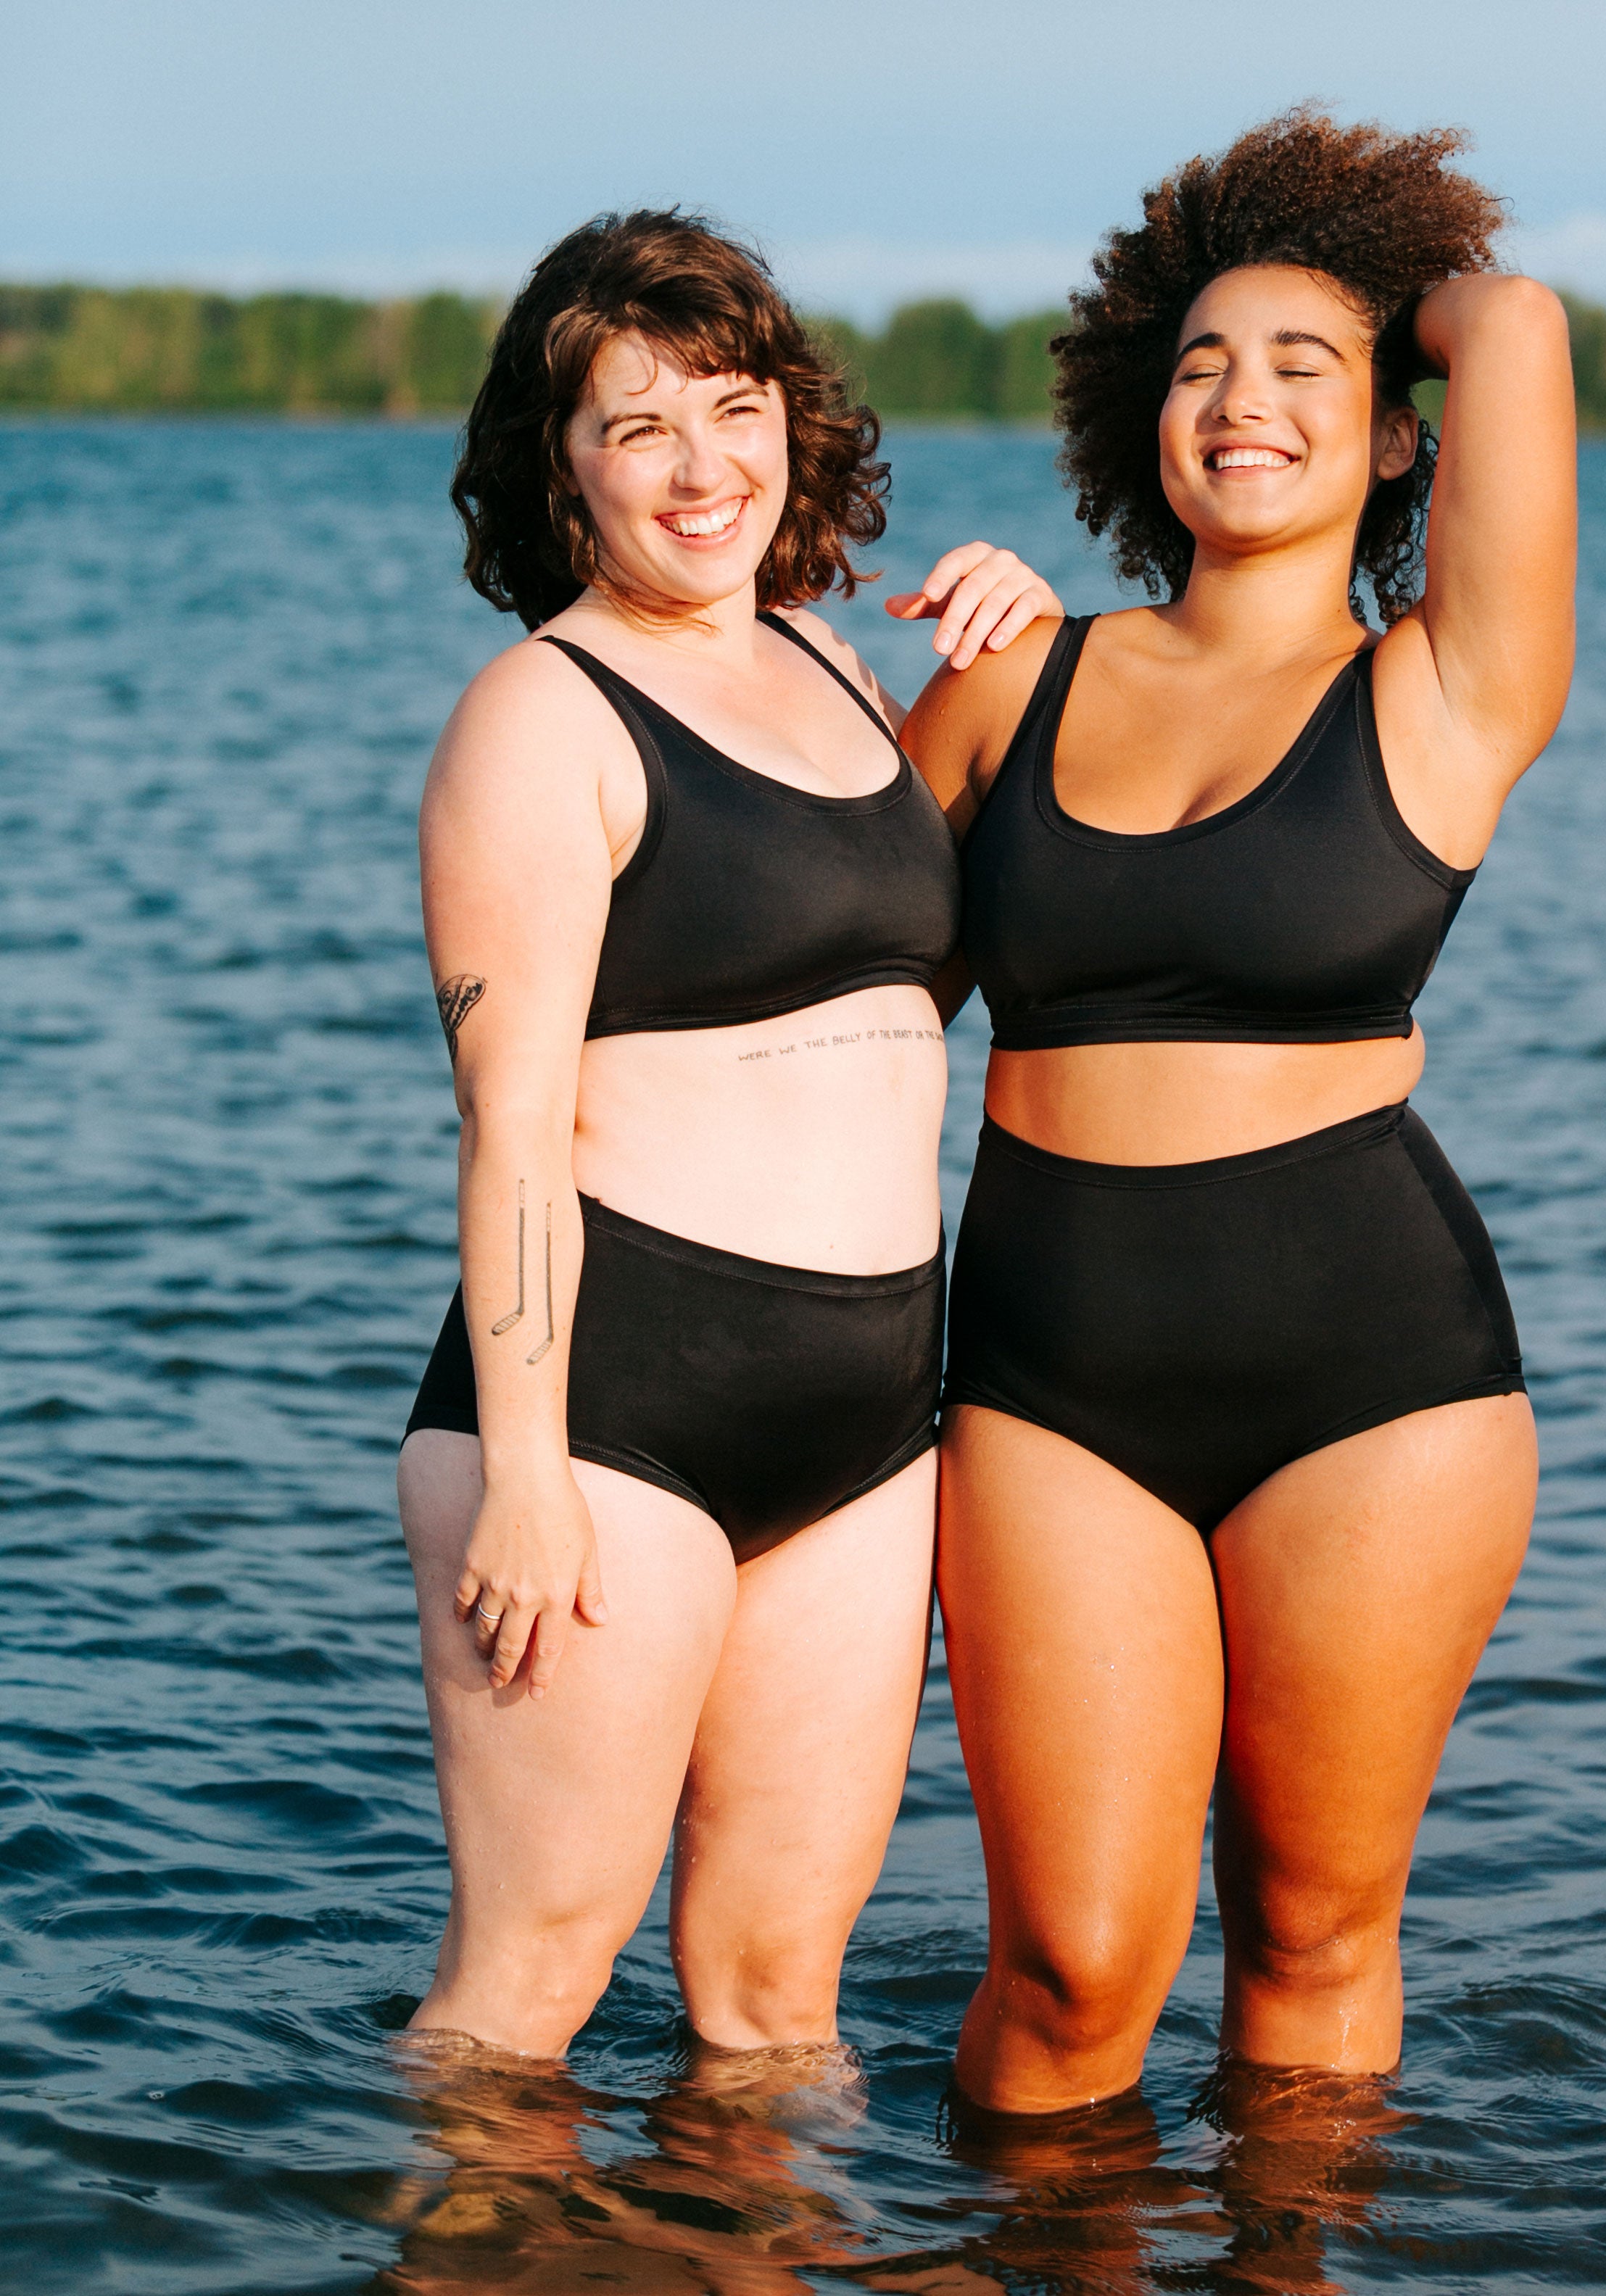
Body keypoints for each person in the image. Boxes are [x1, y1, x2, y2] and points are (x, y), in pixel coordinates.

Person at [902, 109, 1576, 2111]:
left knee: (1306, 1936)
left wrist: (1396, 284)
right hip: (1052, 1374)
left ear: (1395, 437)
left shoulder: (1445, 689)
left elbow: (1516, 317)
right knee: (1067, 1971)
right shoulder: (1015, 679)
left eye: (1306, 367)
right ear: (1140, 414)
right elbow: (821, 999)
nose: (1241, 398)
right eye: (1196, 362)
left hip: (1372, 1377)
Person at [397, 208, 1062, 2062]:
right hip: (617, 1406)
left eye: (733, 404)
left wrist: (1002, 644)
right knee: (526, 1993)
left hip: (863, 1408)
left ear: (794, 421)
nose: (702, 467)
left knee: (781, 2003)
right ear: (563, 474)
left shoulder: (840, 674)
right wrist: (525, 1467)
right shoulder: (539, 718)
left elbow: (866, 990)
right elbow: (509, 1128)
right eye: (638, 427)